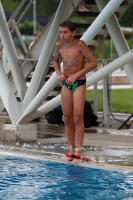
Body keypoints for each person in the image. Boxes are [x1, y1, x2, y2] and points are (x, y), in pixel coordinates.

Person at [53, 20, 97, 162]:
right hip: (66, 83)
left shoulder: (80, 45)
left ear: (73, 33)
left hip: (78, 83)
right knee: (66, 118)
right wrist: (58, 73)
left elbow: (93, 63)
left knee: (77, 117)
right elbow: (54, 60)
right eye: (60, 32)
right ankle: (71, 150)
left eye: (65, 32)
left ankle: (78, 151)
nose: (62, 35)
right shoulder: (59, 46)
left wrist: (76, 75)